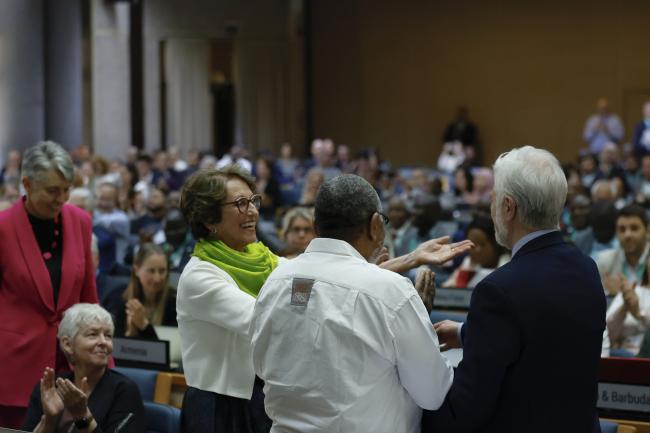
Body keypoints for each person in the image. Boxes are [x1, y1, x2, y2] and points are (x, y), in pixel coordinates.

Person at [178, 166, 472, 433]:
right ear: (208, 218)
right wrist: (393, 293)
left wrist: (409, 259)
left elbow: (318, 283)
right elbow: (275, 314)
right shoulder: (198, 277)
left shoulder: (265, 263)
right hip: (220, 406)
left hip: (258, 397)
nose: (253, 211)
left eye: (254, 201)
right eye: (240, 204)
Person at [423, 146, 606, 433]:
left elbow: (466, 410)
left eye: (494, 198)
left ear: (508, 208)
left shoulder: (498, 290)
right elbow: (543, 338)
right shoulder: (586, 269)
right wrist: (465, 333)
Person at [0, 141, 99, 428]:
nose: (62, 198)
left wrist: (99, 353)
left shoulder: (80, 221)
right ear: (28, 184)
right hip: (13, 365)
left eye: (67, 189)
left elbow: (88, 296)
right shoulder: (3, 229)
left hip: (69, 362)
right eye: (52, 190)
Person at [22, 303, 145, 433]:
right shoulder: (51, 388)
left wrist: (82, 416)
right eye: (93, 334)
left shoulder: (124, 391)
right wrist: (50, 418)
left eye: (108, 335)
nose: (103, 342)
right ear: (68, 344)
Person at [105, 243, 177, 339]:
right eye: (151, 271)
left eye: (162, 271)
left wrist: (144, 325)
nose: (157, 278)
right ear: (136, 270)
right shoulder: (120, 299)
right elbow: (114, 344)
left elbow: (167, 350)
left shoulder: (175, 304)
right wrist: (130, 335)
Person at [596, 204, 649, 296]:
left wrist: (618, 296)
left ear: (648, 232)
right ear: (616, 233)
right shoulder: (604, 261)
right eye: (622, 229)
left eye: (634, 228)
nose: (627, 235)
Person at [443, 216, 508, 289]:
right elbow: (448, 288)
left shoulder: (508, 267)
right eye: (473, 245)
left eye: (482, 244)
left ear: (496, 243)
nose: (477, 250)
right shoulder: (468, 263)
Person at [606, 260, 650, 357]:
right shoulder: (632, 291)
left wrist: (639, 314)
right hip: (619, 355)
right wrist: (624, 308)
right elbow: (605, 336)